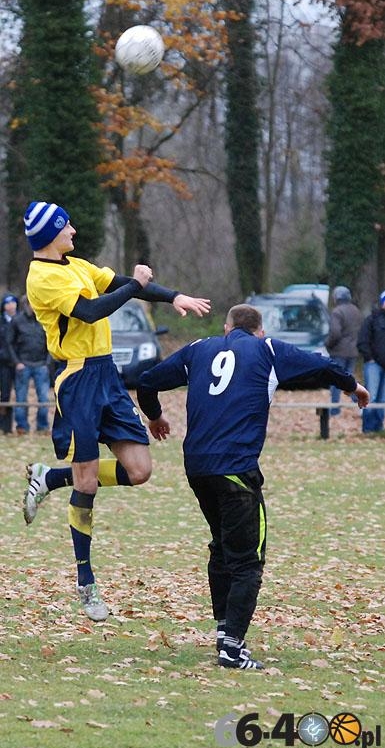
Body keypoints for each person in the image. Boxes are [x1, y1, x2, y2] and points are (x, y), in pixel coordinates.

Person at [133, 303, 369, 671]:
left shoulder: (198, 349)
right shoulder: (268, 349)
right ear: (260, 330)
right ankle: (232, 648)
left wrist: (156, 415)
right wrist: (352, 385)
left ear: (227, 328)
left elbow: (147, 381)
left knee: (223, 548)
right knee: (247, 560)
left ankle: (224, 631)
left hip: (197, 466)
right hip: (236, 468)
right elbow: (321, 364)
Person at [22, 199, 211, 621]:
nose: (72, 229)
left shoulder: (77, 264)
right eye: (65, 224)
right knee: (86, 483)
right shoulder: (42, 276)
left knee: (140, 470)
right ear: (50, 232)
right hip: (78, 381)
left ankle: (49, 477)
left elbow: (123, 282)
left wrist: (173, 295)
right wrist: (134, 287)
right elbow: (91, 310)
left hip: (108, 374)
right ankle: (86, 583)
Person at [7, 294, 51, 435]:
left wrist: (47, 363)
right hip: (23, 365)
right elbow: (9, 343)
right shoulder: (17, 321)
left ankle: (42, 427)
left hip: (41, 364)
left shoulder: (44, 320)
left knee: (43, 398)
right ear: (26, 305)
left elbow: (51, 342)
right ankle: (22, 427)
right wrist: (17, 362)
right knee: (21, 397)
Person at [325, 286, 362, 415]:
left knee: (336, 380)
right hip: (353, 351)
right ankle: (360, 402)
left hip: (339, 352)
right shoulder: (356, 311)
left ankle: (335, 410)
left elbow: (335, 333)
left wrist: (328, 344)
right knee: (349, 379)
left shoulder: (337, 312)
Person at [357, 290, 385, 433]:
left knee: (383, 399)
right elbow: (362, 341)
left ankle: (378, 427)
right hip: (373, 365)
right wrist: (370, 358)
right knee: (371, 396)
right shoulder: (371, 320)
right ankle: (368, 429)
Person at [0, 294, 18, 434]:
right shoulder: (2, 321)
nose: (11, 305)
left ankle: (21, 426)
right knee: (5, 394)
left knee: (19, 394)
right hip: (4, 363)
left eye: (13, 302)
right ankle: (5, 427)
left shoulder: (21, 320)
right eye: (7, 303)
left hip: (20, 362)